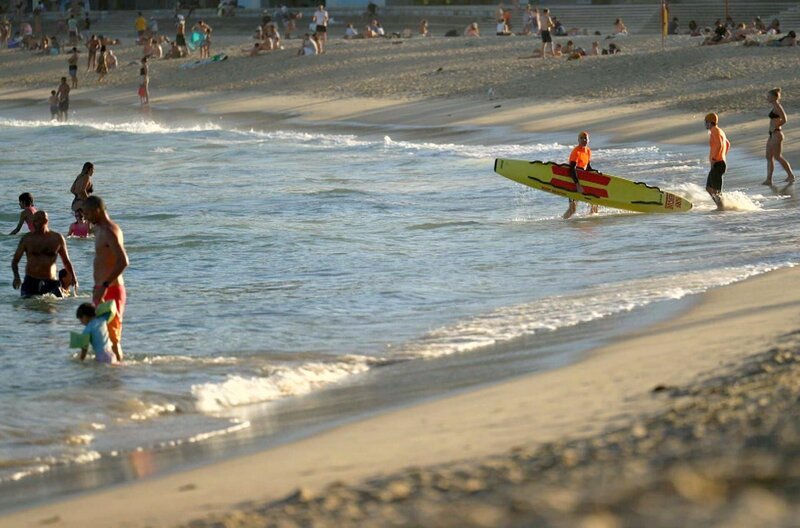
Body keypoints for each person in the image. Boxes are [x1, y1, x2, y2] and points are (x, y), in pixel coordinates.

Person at [83, 196, 128, 362]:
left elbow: (123, 261)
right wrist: (98, 287)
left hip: (111, 289)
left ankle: (118, 374)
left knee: (113, 338)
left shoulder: (110, 230)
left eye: (87, 213)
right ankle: (105, 374)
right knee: (101, 336)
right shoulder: (99, 230)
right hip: (101, 289)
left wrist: (104, 285)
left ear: (97, 210)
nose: (85, 217)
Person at [11, 210, 79, 298]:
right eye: (34, 220)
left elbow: (66, 261)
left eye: (37, 220)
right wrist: (16, 277)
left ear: (45, 221)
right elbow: (15, 261)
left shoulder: (57, 238)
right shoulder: (27, 239)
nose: (34, 223)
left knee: (58, 304)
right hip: (31, 281)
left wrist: (74, 277)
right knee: (29, 304)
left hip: (51, 281)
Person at [563, 131, 599, 219]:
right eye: (581, 138)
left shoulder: (588, 151)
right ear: (578, 140)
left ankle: (591, 221)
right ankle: (562, 222)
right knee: (572, 209)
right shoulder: (576, 151)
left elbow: (588, 167)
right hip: (573, 181)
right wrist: (577, 185)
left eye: (585, 138)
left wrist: (596, 173)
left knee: (594, 204)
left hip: (584, 180)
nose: (584, 140)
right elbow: (571, 169)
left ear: (588, 140)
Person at [763, 88, 795, 185]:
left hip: (777, 134)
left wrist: (776, 126)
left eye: (769, 96)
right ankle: (769, 179)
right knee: (768, 156)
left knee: (777, 156)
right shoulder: (774, 107)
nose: (767, 98)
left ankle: (791, 175)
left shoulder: (778, 107)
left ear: (774, 97)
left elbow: (784, 119)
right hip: (772, 134)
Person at [704, 113, 730, 209]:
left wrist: (715, 158)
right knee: (709, 188)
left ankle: (722, 208)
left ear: (710, 122)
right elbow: (727, 144)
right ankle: (721, 207)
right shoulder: (719, 130)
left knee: (716, 191)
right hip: (720, 163)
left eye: (706, 122)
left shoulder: (715, 130)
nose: (705, 124)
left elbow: (719, 144)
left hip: (718, 163)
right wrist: (722, 155)